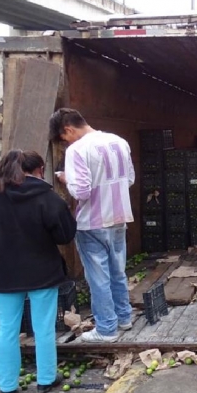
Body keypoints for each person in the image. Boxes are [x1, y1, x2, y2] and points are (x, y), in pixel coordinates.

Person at [0, 150, 76, 393]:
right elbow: (65, 235)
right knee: (43, 327)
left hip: (4, 273)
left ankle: (7, 386)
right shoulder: (48, 197)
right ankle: (46, 379)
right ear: (39, 169)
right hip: (43, 272)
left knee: (7, 329)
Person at [49, 108, 135, 343]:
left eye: (64, 137)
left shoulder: (77, 149)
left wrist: (68, 180)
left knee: (98, 278)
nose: (65, 142)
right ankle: (124, 318)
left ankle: (107, 329)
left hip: (92, 223)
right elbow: (129, 179)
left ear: (68, 129)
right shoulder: (119, 142)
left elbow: (82, 191)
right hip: (119, 218)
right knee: (118, 271)